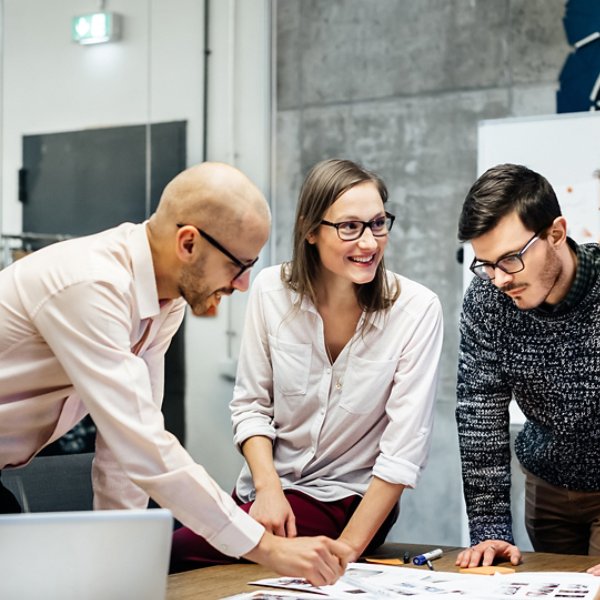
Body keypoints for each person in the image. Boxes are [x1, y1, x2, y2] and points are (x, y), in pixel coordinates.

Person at [0, 161, 352, 586]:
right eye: (239, 265)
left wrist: (115, 574)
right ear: (188, 243)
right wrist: (266, 546)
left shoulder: (165, 304)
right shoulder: (92, 285)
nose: (243, 285)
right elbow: (144, 445)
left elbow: (123, 451)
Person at [170, 158, 444, 572]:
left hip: (348, 501)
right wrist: (267, 490)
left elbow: (402, 451)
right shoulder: (270, 291)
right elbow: (251, 407)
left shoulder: (417, 309)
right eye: (350, 227)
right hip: (265, 493)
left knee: (169, 552)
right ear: (311, 230)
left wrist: (348, 550)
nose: (369, 243)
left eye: (378, 223)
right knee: (167, 537)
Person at [455, 163, 600, 575]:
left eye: (510, 259)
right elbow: (479, 412)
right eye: (485, 263)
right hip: (547, 487)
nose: (498, 279)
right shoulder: (487, 300)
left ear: (555, 233)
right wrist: (489, 528)